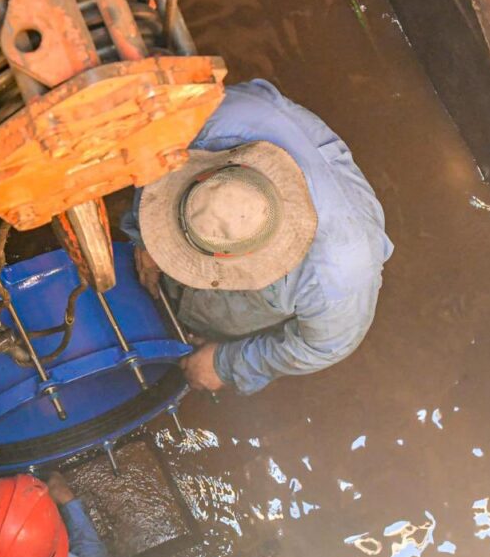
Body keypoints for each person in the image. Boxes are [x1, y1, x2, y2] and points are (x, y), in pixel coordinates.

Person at [123, 79, 393, 396]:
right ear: (209, 173)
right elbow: (155, 158)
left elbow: (327, 346)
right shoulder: (212, 121)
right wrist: (148, 236)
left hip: (320, 268)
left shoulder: (337, 276)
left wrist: (227, 363)